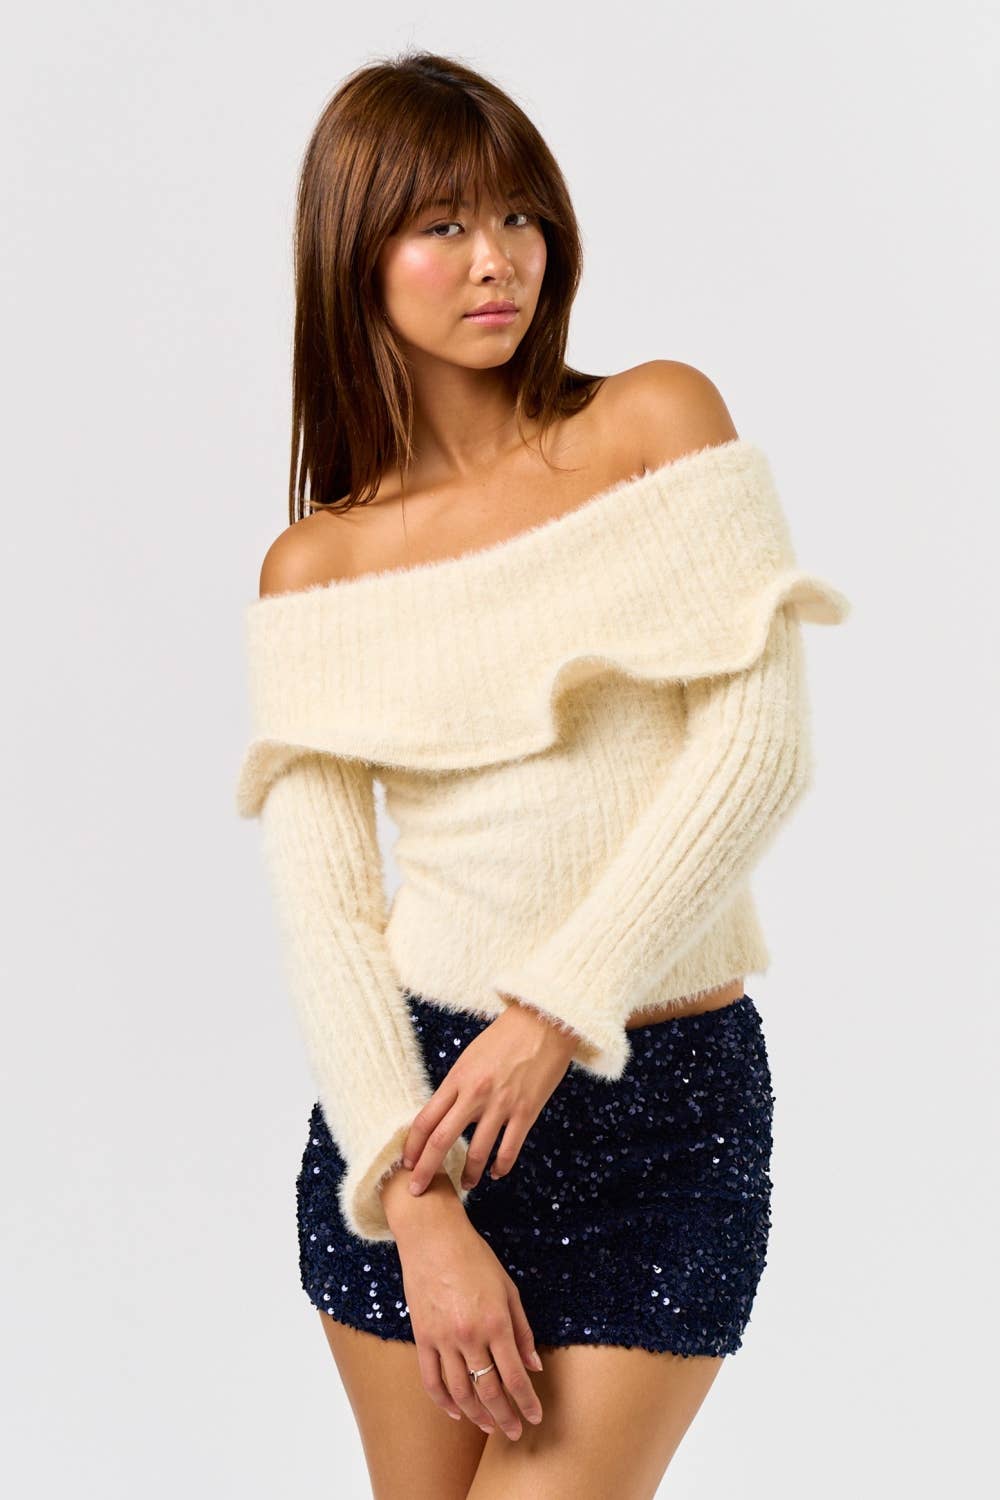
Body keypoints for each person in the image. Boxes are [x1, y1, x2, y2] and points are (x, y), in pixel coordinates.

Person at [235, 49, 850, 1500]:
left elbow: (759, 752)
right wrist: (415, 1201)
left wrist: (554, 1014)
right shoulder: (317, 565)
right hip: (422, 1115)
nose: (496, 258)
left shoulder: (653, 422)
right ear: (356, 255)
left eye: (519, 216)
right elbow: (328, 919)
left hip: (666, 1108)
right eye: (442, 224)